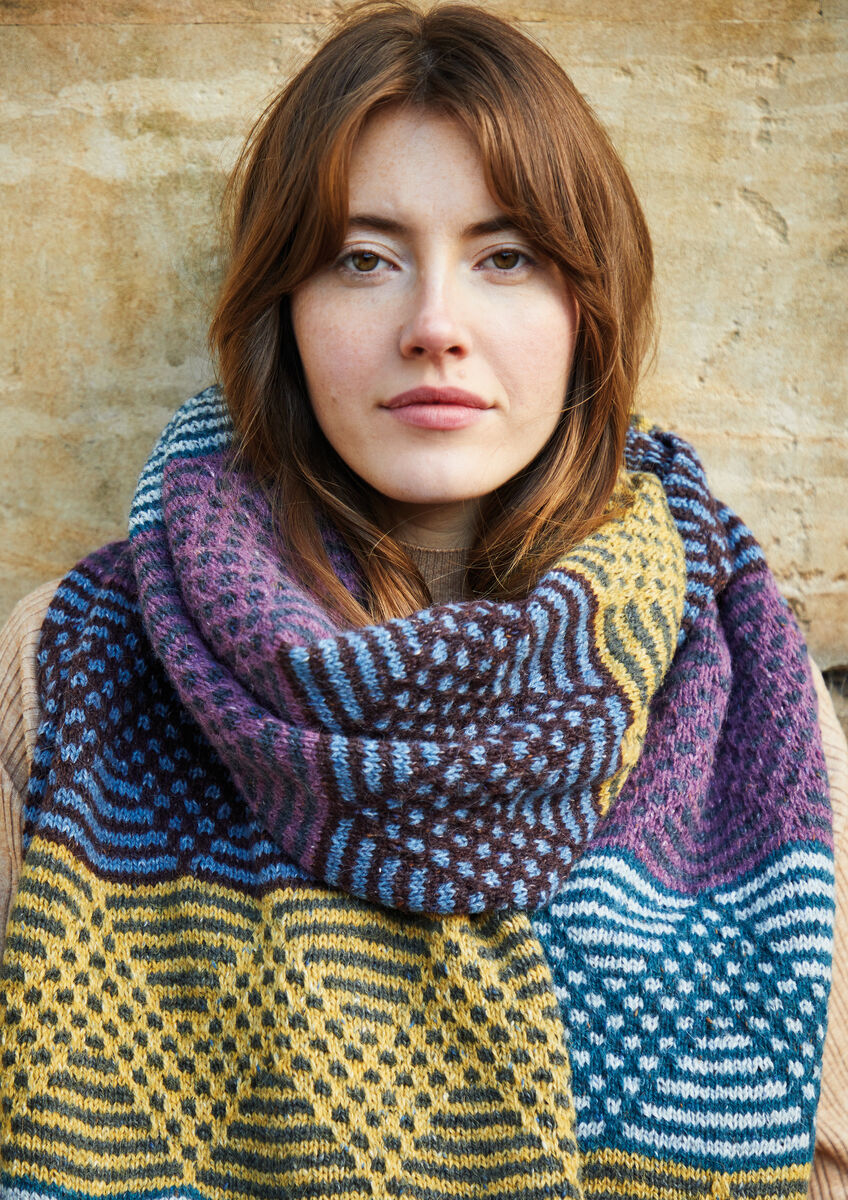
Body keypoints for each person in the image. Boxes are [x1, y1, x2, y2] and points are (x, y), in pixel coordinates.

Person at [0, 2, 845, 1196]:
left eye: (505, 257)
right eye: (363, 259)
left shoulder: (741, 682)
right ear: (282, 310)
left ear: (584, 310)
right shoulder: (76, 662)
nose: (434, 326)